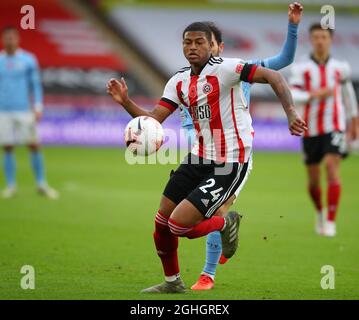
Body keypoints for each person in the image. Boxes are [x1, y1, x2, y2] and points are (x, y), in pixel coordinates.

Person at [107, 22, 306, 293]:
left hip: (230, 162)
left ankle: (227, 222)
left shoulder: (227, 68)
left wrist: (291, 112)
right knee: (162, 221)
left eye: (199, 42)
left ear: (213, 46)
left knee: (180, 225)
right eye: (187, 42)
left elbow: (275, 76)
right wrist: (125, 102)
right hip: (198, 157)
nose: (192, 47)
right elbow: (154, 120)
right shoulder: (178, 81)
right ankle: (172, 282)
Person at [188, 2, 303, 291]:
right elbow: (188, 123)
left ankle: (207, 274)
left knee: (216, 211)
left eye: (205, 43)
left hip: (234, 156)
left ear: (219, 47)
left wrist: (292, 25)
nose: (200, 48)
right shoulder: (186, 80)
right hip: (200, 156)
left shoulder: (241, 71)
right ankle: (227, 231)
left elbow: (285, 59)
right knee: (188, 217)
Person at [289, 24, 358, 237]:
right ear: (311, 40)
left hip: (334, 125)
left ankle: (330, 220)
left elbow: (348, 96)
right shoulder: (301, 68)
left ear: (330, 40)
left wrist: (354, 120)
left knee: (331, 166)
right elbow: (292, 94)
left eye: (324, 37)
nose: (320, 40)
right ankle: (319, 212)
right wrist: (314, 95)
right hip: (309, 128)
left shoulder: (341, 67)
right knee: (313, 179)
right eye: (316, 37)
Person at [0, 26, 58, 199]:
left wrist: (38, 106)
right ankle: (11, 186)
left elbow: (35, 85)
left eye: (12, 38)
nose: (9, 41)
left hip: (24, 110)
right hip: (3, 111)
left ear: (18, 39)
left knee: (34, 145)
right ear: (3, 40)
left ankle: (41, 183)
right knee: (7, 147)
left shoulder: (28, 59)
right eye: (6, 38)